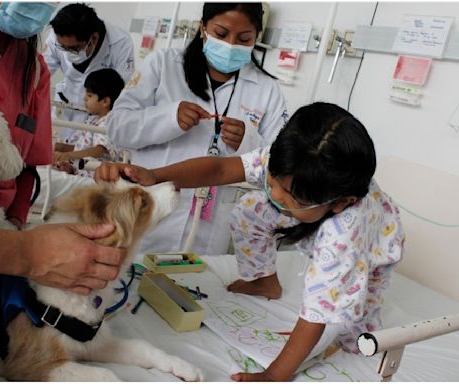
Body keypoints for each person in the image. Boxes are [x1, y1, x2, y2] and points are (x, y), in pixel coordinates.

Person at [96, 102, 405, 380]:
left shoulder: (345, 234)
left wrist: (273, 376)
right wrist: (155, 175)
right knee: (251, 210)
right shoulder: (292, 164)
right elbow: (220, 168)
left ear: (339, 202)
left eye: (290, 195)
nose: (275, 195)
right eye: (271, 182)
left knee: (353, 331)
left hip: (374, 244)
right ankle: (264, 281)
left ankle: (358, 328)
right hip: (315, 214)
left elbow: (317, 314)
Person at [0, 2, 126, 293]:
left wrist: (16, 227)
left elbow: (29, 164)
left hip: (0, 235)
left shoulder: (33, 69)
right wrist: (23, 253)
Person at [106, 2, 289, 256]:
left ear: (255, 38)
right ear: (203, 28)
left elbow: (279, 161)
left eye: (244, 38)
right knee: (133, 275)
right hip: (150, 205)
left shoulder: (267, 90)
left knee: (194, 285)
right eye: (221, 34)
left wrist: (247, 141)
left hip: (211, 223)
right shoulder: (164, 65)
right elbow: (117, 127)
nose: (231, 45)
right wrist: (169, 118)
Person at [34, 68, 125, 208]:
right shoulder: (92, 121)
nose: (84, 98)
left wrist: (69, 155)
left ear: (105, 101)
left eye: (89, 96)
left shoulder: (108, 122)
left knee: (42, 177)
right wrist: (59, 148)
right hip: (80, 169)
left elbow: (99, 150)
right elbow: (79, 147)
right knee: (41, 166)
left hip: (94, 177)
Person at [44, 3, 135, 142]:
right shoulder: (56, 36)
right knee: (55, 149)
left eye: (73, 48)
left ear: (93, 39)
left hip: (98, 119)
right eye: (62, 47)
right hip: (64, 106)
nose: (66, 53)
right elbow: (40, 75)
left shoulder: (120, 43)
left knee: (83, 156)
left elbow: (122, 93)